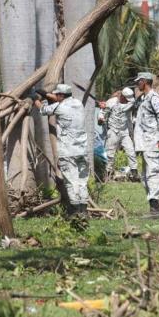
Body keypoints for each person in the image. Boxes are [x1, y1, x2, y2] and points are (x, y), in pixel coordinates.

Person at [36, 84, 90, 217]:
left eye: (57, 95)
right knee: (82, 181)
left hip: (68, 151)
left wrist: (35, 99)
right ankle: (84, 209)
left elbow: (43, 110)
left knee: (71, 181)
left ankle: (76, 212)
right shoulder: (78, 103)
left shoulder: (59, 107)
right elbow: (60, 98)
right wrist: (48, 95)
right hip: (82, 150)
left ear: (60, 96)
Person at [133, 72, 159, 218]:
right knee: (145, 176)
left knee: (153, 173)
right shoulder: (144, 99)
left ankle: (154, 210)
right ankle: (155, 208)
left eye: (138, 82)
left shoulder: (154, 98)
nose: (137, 84)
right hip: (145, 143)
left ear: (144, 82)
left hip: (153, 142)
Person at [99, 87, 138, 181]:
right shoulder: (112, 102)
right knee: (110, 154)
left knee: (131, 152)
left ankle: (134, 174)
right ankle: (107, 174)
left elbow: (129, 119)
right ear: (122, 96)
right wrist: (101, 118)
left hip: (124, 132)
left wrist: (131, 133)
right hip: (113, 130)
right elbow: (103, 112)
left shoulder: (130, 104)